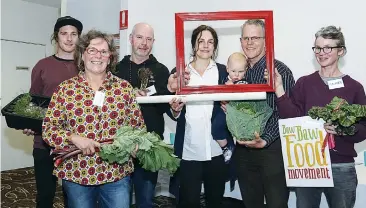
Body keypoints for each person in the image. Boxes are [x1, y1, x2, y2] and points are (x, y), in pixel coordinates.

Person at [42, 29, 144, 208]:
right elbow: (49, 130)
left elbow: (137, 127)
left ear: (110, 57)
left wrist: (136, 144)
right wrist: (74, 138)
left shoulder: (124, 89)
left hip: (116, 173)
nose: (98, 56)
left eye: (104, 52)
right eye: (92, 50)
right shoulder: (66, 90)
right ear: (82, 55)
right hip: (78, 173)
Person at [274, 25, 366, 208]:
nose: (321, 53)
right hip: (309, 166)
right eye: (317, 48)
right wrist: (279, 90)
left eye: (327, 48)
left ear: (341, 51)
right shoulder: (304, 83)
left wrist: (343, 128)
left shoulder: (354, 88)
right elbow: (291, 119)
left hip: (341, 166)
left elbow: (363, 129)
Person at [232, 19, 295, 208]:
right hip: (243, 152)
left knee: (277, 204)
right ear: (241, 40)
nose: (249, 42)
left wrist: (266, 139)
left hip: (272, 152)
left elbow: (286, 113)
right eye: (246, 38)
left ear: (266, 40)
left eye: (255, 37)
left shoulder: (280, 71)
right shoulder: (236, 73)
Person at [23, 16, 83, 208]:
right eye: (64, 33)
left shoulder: (85, 67)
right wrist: (29, 123)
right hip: (44, 142)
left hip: (75, 143)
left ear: (79, 38)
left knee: (74, 196)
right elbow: (33, 102)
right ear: (56, 37)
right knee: (45, 194)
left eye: (73, 34)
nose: (69, 38)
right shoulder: (42, 65)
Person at [168, 25, 229, 208]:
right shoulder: (181, 72)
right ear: (194, 45)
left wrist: (230, 108)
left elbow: (231, 105)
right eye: (201, 41)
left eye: (210, 42)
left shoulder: (223, 71)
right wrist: (176, 110)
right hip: (189, 151)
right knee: (188, 202)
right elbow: (174, 112)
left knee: (215, 201)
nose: (205, 45)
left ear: (215, 46)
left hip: (216, 150)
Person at [114, 22, 173, 208]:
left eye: (148, 39)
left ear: (153, 42)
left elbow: (168, 107)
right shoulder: (115, 70)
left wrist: (175, 103)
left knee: (146, 201)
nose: (144, 43)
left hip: (150, 145)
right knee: (118, 200)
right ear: (131, 39)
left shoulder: (162, 70)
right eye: (139, 37)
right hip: (119, 146)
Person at [211, 52, 249, 163]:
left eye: (241, 71)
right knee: (215, 128)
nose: (237, 75)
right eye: (233, 71)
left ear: (245, 70)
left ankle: (234, 148)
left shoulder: (243, 82)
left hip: (239, 115)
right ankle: (226, 148)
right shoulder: (224, 80)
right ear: (227, 69)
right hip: (224, 112)